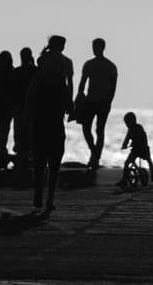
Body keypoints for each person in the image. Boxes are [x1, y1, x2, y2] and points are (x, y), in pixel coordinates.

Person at [26, 35, 72, 212]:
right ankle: (49, 197)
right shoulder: (63, 68)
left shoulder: (41, 73)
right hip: (54, 124)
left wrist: (25, 121)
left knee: (40, 161)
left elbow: (30, 98)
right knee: (54, 163)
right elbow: (69, 101)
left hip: (41, 122)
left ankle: (39, 190)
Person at [77, 38, 118, 170]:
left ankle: (95, 156)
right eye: (93, 46)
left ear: (101, 48)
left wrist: (109, 102)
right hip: (93, 101)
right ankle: (94, 153)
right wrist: (80, 96)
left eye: (95, 46)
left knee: (97, 130)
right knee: (89, 128)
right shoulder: (108, 66)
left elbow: (112, 88)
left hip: (99, 102)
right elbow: (82, 84)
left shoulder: (107, 66)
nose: (94, 49)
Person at [12, 47, 37, 168]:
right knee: (28, 132)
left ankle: (23, 155)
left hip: (23, 106)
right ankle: (27, 155)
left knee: (21, 131)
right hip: (28, 106)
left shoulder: (17, 72)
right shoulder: (35, 71)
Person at [116, 112, 153, 187]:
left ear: (131, 121)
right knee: (128, 163)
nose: (126, 125)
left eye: (127, 123)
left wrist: (127, 144)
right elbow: (127, 139)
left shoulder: (138, 128)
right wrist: (124, 145)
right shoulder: (135, 128)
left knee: (147, 161)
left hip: (142, 149)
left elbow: (134, 137)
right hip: (138, 149)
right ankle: (124, 180)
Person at [0, 51, 14, 169]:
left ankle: (1, 153)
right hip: (5, 105)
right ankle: (2, 152)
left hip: (0, 105)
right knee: (3, 130)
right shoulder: (12, 72)